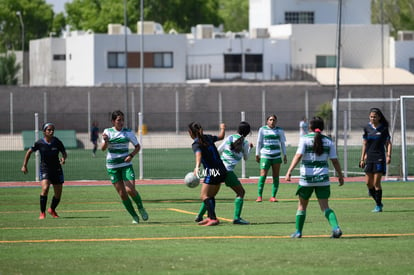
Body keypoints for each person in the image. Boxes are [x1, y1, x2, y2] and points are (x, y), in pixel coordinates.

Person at [285, 116, 344, 238]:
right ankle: (336, 228)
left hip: (307, 179)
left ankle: (298, 232)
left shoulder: (304, 139)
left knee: (301, 206)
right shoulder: (328, 141)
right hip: (323, 178)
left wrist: (289, 171)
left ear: (310, 127)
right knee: (325, 207)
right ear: (322, 128)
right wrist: (340, 175)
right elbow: (335, 161)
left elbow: (298, 156)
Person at [195, 121, 253, 225]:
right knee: (241, 193)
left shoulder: (230, 138)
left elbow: (219, 149)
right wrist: (250, 149)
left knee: (209, 194)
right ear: (248, 132)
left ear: (237, 130)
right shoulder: (245, 143)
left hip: (218, 169)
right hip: (228, 171)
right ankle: (237, 218)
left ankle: (199, 215)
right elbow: (246, 158)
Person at [102, 110, 148, 224]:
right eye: (118, 120)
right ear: (113, 121)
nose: (121, 122)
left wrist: (131, 156)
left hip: (126, 165)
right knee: (122, 194)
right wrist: (106, 141)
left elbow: (137, 147)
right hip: (112, 167)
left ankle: (141, 207)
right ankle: (134, 216)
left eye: (122, 120)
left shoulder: (128, 132)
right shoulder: (107, 132)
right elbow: (103, 148)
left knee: (130, 190)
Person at [21, 122, 67, 219]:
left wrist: (63, 158)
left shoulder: (57, 141)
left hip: (57, 169)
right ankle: (42, 213)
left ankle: (52, 209)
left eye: (52, 130)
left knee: (58, 195)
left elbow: (64, 152)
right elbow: (29, 152)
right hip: (45, 169)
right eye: (49, 130)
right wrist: (24, 165)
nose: (51, 131)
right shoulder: (39, 143)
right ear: (44, 131)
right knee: (45, 188)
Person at [188, 121, 227, 226]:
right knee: (210, 195)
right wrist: (223, 128)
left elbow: (198, 155)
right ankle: (210, 217)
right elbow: (221, 136)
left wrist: (197, 167)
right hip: (222, 169)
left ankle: (213, 219)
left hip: (213, 171)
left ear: (190, 132)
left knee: (204, 196)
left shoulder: (196, 143)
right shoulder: (208, 137)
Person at [359, 107, 392, 213]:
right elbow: (364, 143)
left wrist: (388, 155)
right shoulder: (367, 128)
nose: (372, 118)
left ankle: (378, 205)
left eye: (375, 116)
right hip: (369, 158)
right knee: (369, 183)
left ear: (379, 117)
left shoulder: (384, 128)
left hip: (380, 157)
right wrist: (362, 158)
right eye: (371, 116)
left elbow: (388, 143)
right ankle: (378, 201)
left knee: (376, 183)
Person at [255, 114, 287, 202]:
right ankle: (259, 196)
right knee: (263, 175)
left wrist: (285, 155)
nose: (272, 121)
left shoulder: (280, 130)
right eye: (270, 120)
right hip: (265, 155)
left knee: (276, 176)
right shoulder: (262, 130)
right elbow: (259, 142)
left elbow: (283, 143)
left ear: (276, 121)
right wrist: (257, 154)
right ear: (267, 121)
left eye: (274, 120)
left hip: (276, 156)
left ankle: (273, 196)